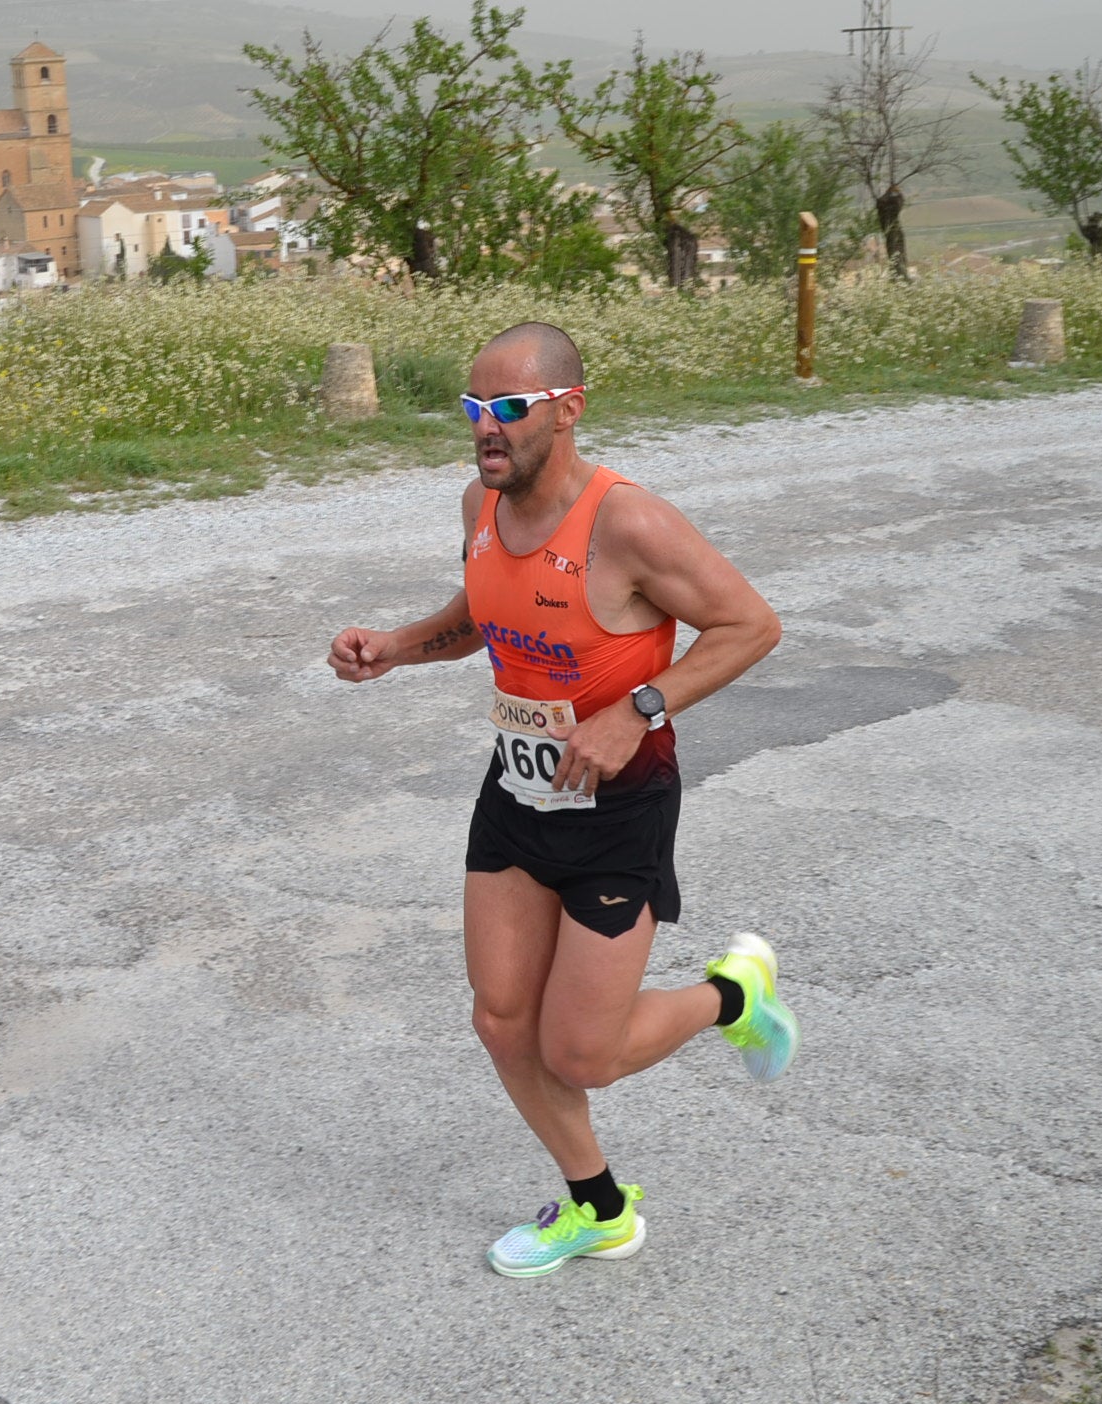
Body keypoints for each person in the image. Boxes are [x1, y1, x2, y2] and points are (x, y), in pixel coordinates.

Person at [326, 322, 793, 1278]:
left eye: (507, 410)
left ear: (568, 410)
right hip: (518, 787)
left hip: (622, 803)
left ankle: (733, 995)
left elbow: (751, 625)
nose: (484, 430)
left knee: (582, 1053)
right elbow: (478, 617)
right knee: (500, 1019)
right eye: (472, 410)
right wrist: (395, 646)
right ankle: (600, 1206)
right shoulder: (481, 504)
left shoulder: (629, 523)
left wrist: (638, 707)